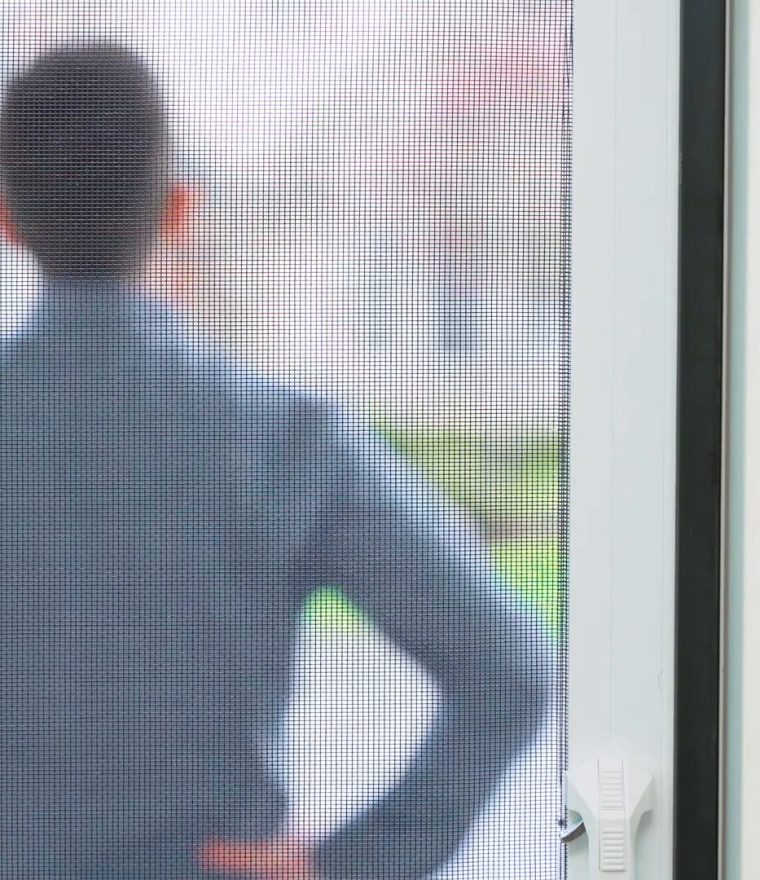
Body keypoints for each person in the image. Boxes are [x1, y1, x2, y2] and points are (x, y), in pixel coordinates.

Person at [0, 43, 551, 880]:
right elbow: (508, 670)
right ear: (177, 212)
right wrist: (353, 863)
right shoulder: (284, 437)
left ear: (7, 218)